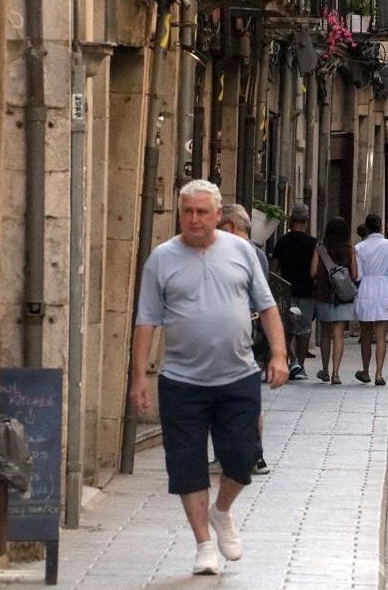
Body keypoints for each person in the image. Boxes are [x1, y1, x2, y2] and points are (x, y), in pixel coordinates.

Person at [131, 180, 288, 575]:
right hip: (181, 380)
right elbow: (146, 321)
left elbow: (267, 306)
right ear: (180, 213)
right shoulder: (161, 259)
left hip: (238, 375)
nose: (195, 219)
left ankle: (222, 512)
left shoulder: (240, 251)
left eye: (203, 211)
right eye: (188, 211)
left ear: (218, 215)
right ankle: (203, 544)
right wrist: (138, 378)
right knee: (187, 465)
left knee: (241, 457)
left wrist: (280, 355)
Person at [217, 204, 274, 475]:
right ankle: (247, 453)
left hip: (237, 331)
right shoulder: (259, 253)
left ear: (230, 226)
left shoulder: (236, 253)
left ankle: (253, 454)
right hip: (249, 328)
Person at [353, 214, 388, 385]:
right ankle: (379, 373)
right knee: (381, 335)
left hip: (367, 288)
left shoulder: (359, 247)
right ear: (380, 226)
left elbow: (358, 274)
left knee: (366, 334)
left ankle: (366, 370)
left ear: (366, 227)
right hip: (384, 287)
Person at [310, 217, 358, 385]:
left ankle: (325, 370)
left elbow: (313, 271)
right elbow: (354, 275)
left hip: (324, 294)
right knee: (339, 335)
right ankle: (336, 372)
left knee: (325, 334)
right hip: (343, 296)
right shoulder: (349, 249)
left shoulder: (320, 248)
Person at [271, 202, 317, 380]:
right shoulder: (313, 243)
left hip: (286, 291)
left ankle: (292, 360)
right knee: (304, 330)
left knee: (286, 329)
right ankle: (301, 366)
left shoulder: (282, 241)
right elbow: (315, 270)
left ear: (291, 220)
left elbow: (274, 269)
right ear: (306, 221)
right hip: (307, 291)